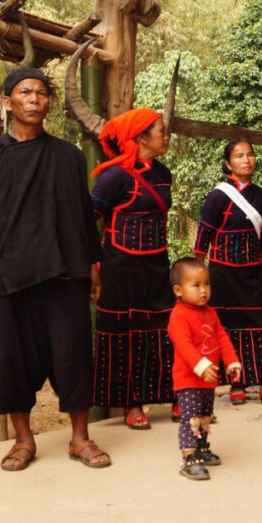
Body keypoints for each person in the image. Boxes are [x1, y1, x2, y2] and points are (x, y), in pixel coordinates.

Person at [0, 67, 110, 471]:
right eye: (25, 92)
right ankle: (24, 440)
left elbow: (83, 217)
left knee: (73, 356)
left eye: (41, 93)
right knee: (11, 360)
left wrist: (92, 265)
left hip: (65, 272)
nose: (35, 99)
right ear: (8, 103)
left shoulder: (69, 156)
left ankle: (80, 438)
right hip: (8, 275)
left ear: (49, 103)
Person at [89, 107, 176, 429]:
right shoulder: (115, 177)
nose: (165, 135)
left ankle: (173, 395)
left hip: (157, 263)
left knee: (165, 331)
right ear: (141, 137)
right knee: (124, 335)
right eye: (160, 130)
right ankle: (131, 404)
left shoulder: (163, 173)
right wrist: (92, 265)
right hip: (120, 267)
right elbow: (88, 219)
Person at [194, 139, 262, 407]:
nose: (246, 160)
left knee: (255, 325)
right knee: (227, 328)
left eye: (250, 155)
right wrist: (199, 270)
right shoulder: (218, 195)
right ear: (228, 164)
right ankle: (236, 382)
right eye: (239, 156)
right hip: (222, 272)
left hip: (251, 271)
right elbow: (205, 232)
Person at [167, 258, 243, 480]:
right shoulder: (178, 315)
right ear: (178, 290)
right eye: (196, 285)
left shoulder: (210, 312)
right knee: (190, 418)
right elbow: (183, 345)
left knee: (205, 417)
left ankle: (202, 448)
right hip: (188, 379)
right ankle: (189, 457)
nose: (204, 290)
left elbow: (221, 338)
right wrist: (201, 366)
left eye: (207, 284)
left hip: (208, 380)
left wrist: (231, 362)